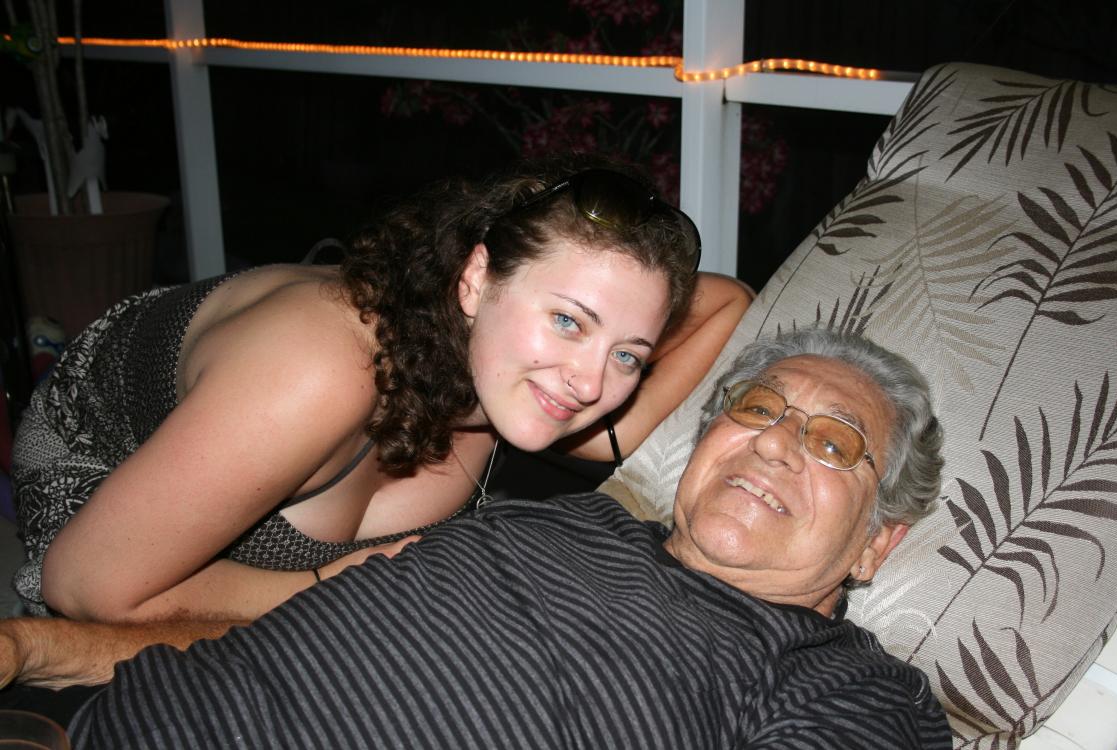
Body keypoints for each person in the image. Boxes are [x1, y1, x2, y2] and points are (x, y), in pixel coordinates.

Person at [22, 328, 950, 747]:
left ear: (877, 543)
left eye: (834, 443)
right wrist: (39, 648)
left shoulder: (855, 689)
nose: (775, 441)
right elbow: (280, 639)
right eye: (755, 408)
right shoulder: (550, 517)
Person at [10, 153, 753, 625]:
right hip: (93, 464)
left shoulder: (517, 383)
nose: (591, 383)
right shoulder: (319, 371)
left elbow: (730, 301)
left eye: (628, 355)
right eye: (566, 320)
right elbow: (84, 586)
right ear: (475, 280)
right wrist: (338, 584)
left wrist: (588, 360)